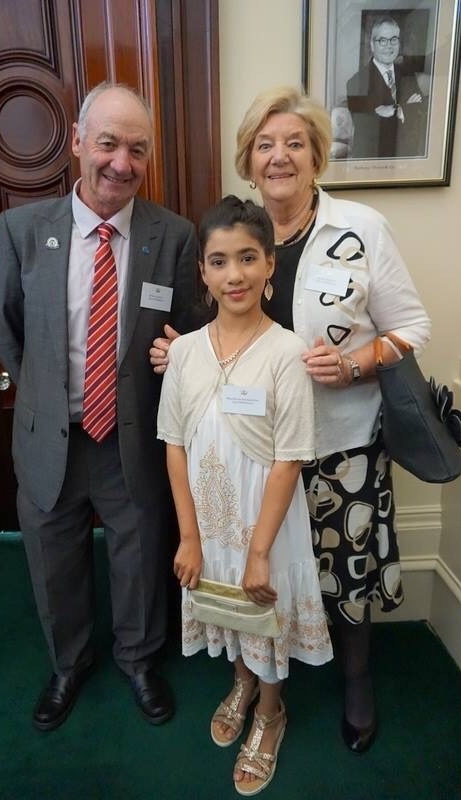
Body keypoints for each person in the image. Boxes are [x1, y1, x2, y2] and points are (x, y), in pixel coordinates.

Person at [150, 86, 431, 753]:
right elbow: (206, 325)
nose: (279, 156)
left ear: (315, 156)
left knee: (345, 570)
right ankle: (256, 678)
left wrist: (358, 361)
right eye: (265, 145)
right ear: (248, 159)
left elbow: (411, 325)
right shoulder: (234, 231)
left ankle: (354, 678)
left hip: (339, 443)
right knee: (262, 571)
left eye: (294, 143)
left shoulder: (359, 227)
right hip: (250, 458)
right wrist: (173, 351)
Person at [0, 82, 199, 731]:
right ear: (79, 141)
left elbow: (188, 334)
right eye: (108, 143)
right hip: (52, 435)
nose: (121, 163)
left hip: (131, 437)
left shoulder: (174, 237)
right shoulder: (23, 229)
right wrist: (49, 397)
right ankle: (70, 662)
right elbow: (7, 327)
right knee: (54, 558)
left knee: (138, 555)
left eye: (137, 150)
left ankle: (137, 658)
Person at [157, 196, 332, 795]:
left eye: (248, 258)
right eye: (220, 261)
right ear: (203, 272)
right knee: (225, 605)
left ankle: (270, 712)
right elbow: (174, 444)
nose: (235, 275)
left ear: (270, 266)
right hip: (207, 519)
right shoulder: (182, 352)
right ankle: (242, 680)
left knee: (263, 605)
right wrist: (188, 534)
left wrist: (260, 549)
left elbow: (290, 457)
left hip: (268, 522)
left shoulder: (287, 352)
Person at [346, 16, 427, 158]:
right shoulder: (356, 82)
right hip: (372, 162)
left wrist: (396, 109)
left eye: (394, 39)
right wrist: (406, 109)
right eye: (382, 40)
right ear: (372, 45)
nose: (389, 46)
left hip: (407, 158)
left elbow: (420, 116)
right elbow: (367, 127)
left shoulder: (408, 76)